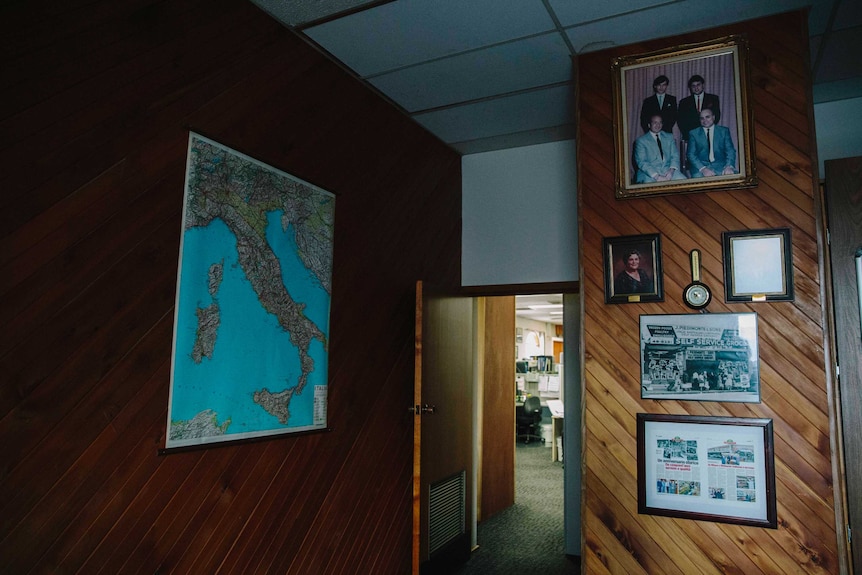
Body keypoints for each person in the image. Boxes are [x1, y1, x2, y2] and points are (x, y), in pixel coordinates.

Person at [633, 115, 687, 183]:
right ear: (649, 125)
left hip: (668, 170)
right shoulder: (641, 141)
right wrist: (657, 176)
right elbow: (642, 162)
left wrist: (671, 171)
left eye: (660, 122)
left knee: (683, 180)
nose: (658, 125)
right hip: (649, 173)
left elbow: (675, 156)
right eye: (655, 122)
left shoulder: (669, 137)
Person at [686, 108, 737, 177]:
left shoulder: (723, 131)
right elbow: (691, 154)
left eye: (707, 117)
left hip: (721, 166)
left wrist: (728, 166)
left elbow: (730, 151)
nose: (705, 120)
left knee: (735, 176)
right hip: (700, 167)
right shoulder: (693, 133)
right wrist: (703, 169)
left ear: (713, 117)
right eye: (702, 118)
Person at [677, 74, 721, 144]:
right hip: (691, 137)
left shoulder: (713, 99)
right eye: (693, 86)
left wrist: (708, 131)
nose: (696, 88)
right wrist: (689, 135)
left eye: (698, 85)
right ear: (690, 88)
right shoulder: (684, 102)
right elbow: (681, 121)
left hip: (709, 135)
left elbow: (716, 116)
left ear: (703, 85)